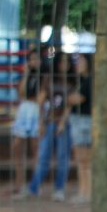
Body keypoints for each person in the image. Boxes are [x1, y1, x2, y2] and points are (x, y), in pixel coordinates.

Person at [26, 52, 73, 201]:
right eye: (62, 61)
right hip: (49, 121)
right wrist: (40, 122)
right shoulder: (49, 79)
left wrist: (62, 122)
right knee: (43, 156)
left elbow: (70, 105)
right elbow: (40, 100)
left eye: (67, 61)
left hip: (64, 124)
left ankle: (59, 189)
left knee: (62, 157)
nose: (64, 64)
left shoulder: (72, 80)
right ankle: (33, 188)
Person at [10, 49, 45, 199]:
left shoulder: (44, 76)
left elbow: (41, 97)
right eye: (31, 59)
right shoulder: (28, 75)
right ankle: (20, 183)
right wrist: (25, 73)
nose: (34, 62)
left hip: (36, 110)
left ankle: (34, 185)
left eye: (36, 59)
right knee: (17, 146)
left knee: (35, 148)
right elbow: (22, 93)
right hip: (25, 109)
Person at [68, 53, 93, 204]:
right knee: (80, 160)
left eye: (81, 61)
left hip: (85, 122)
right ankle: (82, 192)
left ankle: (87, 193)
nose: (78, 64)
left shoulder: (89, 81)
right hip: (77, 120)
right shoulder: (80, 81)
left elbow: (78, 98)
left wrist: (71, 98)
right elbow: (71, 99)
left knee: (86, 161)